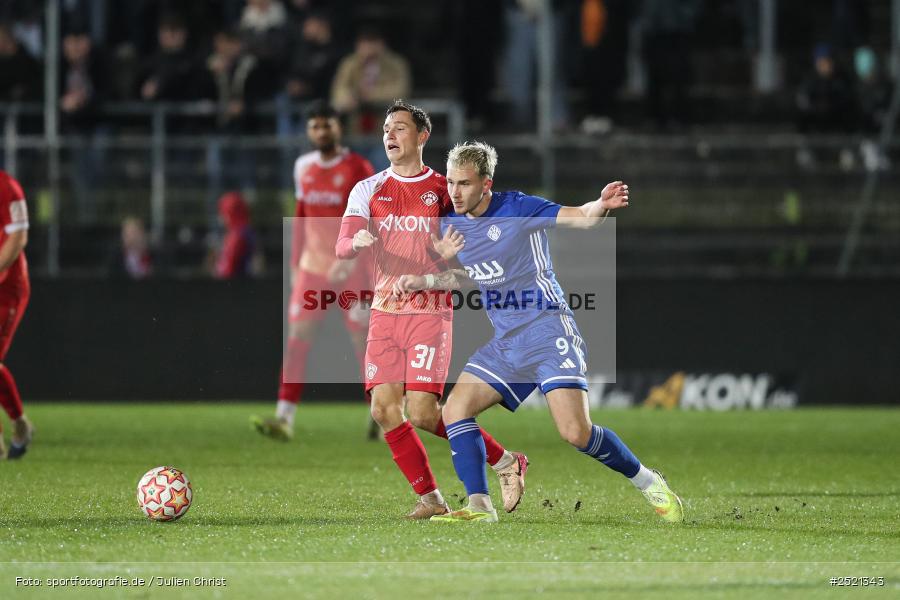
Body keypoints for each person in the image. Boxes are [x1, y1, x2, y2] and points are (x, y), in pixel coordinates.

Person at [393, 142, 683, 523]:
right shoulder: (451, 223)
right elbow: (473, 276)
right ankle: (480, 507)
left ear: (486, 184)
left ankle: (648, 481)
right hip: (506, 343)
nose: (455, 192)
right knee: (455, 411)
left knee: (576, 433)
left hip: (547, 331)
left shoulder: (518, 208)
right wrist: (425, 279)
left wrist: (600, 205)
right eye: (450, 182)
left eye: (464, 183)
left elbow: (580, 217)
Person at [335, 101, 528, 519]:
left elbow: (468, 260)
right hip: (385, 311)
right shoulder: (368, 189)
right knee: (384, 409)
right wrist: (356, 244)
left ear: (422, 136)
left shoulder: (446, 189)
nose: (390, 134)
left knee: (423, 413)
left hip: (429, 311)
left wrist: (444, 259)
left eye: (400, 128)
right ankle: (431, 499)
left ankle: (505, 461)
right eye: (386, 128)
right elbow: (342, 243)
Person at [252, 103, 375, 441]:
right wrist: (295, 265)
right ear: (309, 131)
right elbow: (303, 216)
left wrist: (350, 258)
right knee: (297, 341)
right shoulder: (303, 167)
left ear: (339, 128)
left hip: (352, 269)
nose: (322, 132)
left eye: (328, 126)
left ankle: (382, 413)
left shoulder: (357, 168)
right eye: (316, 126)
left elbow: (368, 219)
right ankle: (284, 418)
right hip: (313, 270)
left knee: (365, 344)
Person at [0, 170, 33, 459]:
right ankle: (20, 425)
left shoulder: (7, 187)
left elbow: (18, 238)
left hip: (6, 288)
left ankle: (19, 428)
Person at [212, 191, 258, 279]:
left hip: (235, 287)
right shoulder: (246, 231)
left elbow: (227, 270)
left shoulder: (237, 236)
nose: (221, 217)